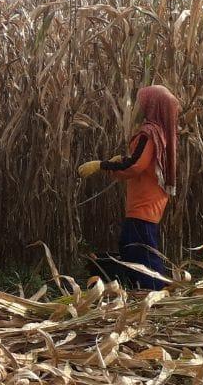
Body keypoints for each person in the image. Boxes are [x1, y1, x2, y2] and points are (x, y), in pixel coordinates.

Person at [77, 84, 179, 291]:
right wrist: (120, 161)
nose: (137, 106)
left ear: (151, 105)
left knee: (141, 251)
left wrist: (102, 165)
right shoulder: (160, 133)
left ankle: (153, 294)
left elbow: (136, 165)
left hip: (144, 204)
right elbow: (142, 162)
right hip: (149, 201)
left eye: (141, 101)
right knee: (133, 248)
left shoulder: (148, 133)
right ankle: (141, 292)